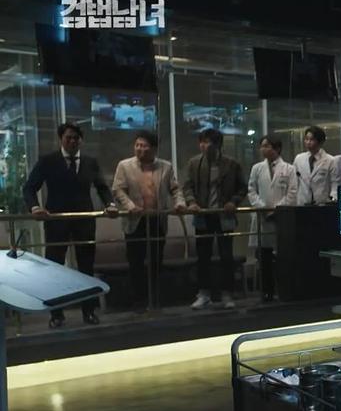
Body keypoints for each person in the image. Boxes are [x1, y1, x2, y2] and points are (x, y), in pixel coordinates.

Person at [22, 122, 118, 327]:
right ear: (61, 139)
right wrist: (35, 208)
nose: (72, 141)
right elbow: (29, 188)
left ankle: (89, 312)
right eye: (68, 138)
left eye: (76, 138)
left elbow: (102, 187)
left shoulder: (90, 162)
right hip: (56, 221)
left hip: (84, 220)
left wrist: (110, 204)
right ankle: (56, 314)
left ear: (80, 140)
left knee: (86, 267)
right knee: (54, 268)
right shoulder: (48, 161)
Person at [112, 131, 186, 311]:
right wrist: (130, 206)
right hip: (135, 221)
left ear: (154, 149)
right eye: (137, 145)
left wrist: (180, 203)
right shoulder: (124, 166)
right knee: (135, 262)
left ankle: (155, 299)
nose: (140, 149)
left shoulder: (165, 167)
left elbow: (175, 189)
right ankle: (139, 301)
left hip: (156, 220)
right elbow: (118, 190)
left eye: (144, 146)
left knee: (156, 262)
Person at [183, 128, 248, 310]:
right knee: (203, 256)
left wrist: (233, 201)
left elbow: (242, 188)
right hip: (202, 215)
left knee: (226, 255)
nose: (203, 146)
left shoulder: (231, 164)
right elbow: (187, 186)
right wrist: (191, 202)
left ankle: (227, 293)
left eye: (207, 142)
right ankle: (203, 294)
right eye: (201, 142)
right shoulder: (194, 163)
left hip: (224, 215)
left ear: (218, 145)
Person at [247, 135, 298, 302]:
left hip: (281, 218)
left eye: (267, 146)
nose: (263, 149)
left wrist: (277, 210)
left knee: (282, 258)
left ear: (277, 148)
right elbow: (251, 190)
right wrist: (262, 207)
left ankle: (283, 291)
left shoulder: (289, 169)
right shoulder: (257, 168)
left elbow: (292, 193)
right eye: (262, 146)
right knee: (264, 258)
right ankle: (266, 292)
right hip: (262, 217)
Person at [293, 125, 336, 205]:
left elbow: (334, 184)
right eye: (306, 139)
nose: (308, 142)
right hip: (302, 203)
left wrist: (332, 200)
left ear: (320, 142)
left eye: (312, 140)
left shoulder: (330, 160)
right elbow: (294, 182)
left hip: (322, 204)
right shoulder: (299, 159)